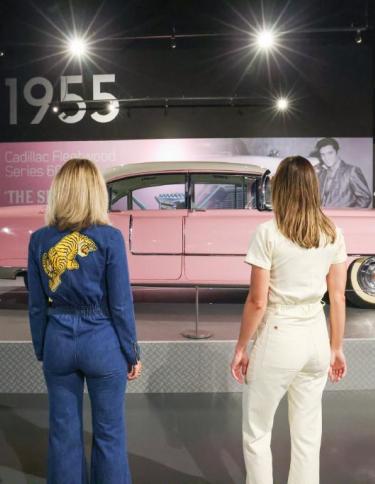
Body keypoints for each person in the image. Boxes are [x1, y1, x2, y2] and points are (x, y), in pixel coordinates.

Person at [231, 156, 347, 484]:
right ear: (313, 187)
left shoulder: (268, 233)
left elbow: (257, 301)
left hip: (280, 335)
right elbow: (337, 297)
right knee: (308, 437)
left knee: (257, 432)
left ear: (279, 188)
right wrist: (336, 347)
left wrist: (241, 347)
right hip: (316, 338)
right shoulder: (332, 233)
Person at [27, 158, 142, 484]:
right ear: (96, 193)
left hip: (58, 343)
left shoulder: (39, 240)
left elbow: (36, 305)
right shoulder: (110, 238)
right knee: (110, 433)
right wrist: (132, 352)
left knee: (63, 433)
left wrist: (42, 348)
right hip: (103, 342)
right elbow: (121, 305)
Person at [313, 137, 372, 207]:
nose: (326, 158)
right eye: (323, 154)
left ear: (337, 152)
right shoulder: (321, 173)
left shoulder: (351, 171)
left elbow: (365, 198)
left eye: (330, 153)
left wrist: (348, 215)